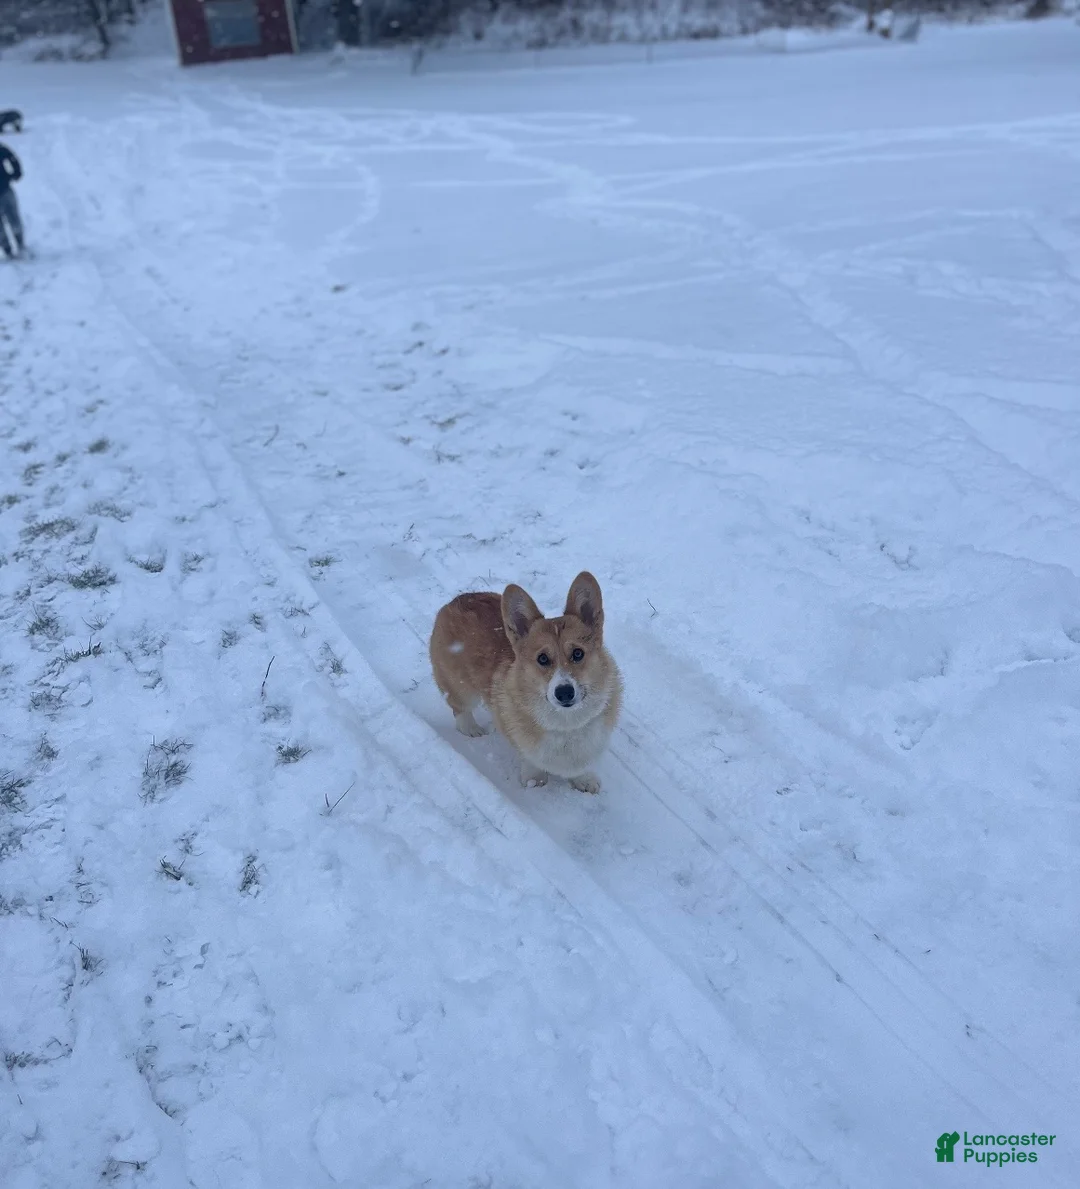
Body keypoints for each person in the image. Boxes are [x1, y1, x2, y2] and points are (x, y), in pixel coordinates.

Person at [0, 140, 25, 259]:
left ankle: (12, 248)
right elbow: (11, 156)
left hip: (4, 188)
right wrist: (16, 172)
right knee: (13, 218)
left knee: (13, 218)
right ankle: (12, 247)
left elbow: (10, 156)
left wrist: (16, 172)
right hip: (4, 188)